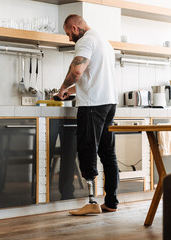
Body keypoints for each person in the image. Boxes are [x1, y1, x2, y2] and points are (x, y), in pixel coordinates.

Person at [57, 14, 119, 215]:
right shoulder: (104, 42)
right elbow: (93, 78)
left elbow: (77, 72)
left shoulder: (85, 41)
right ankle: (111, 202)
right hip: (109, 103)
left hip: (92, 106)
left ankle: (92, 203)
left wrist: (62, 88)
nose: (69, 39)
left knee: (87, 151)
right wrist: (71, 91)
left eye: (68, 34)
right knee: (108, 154)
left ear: (75, 28)